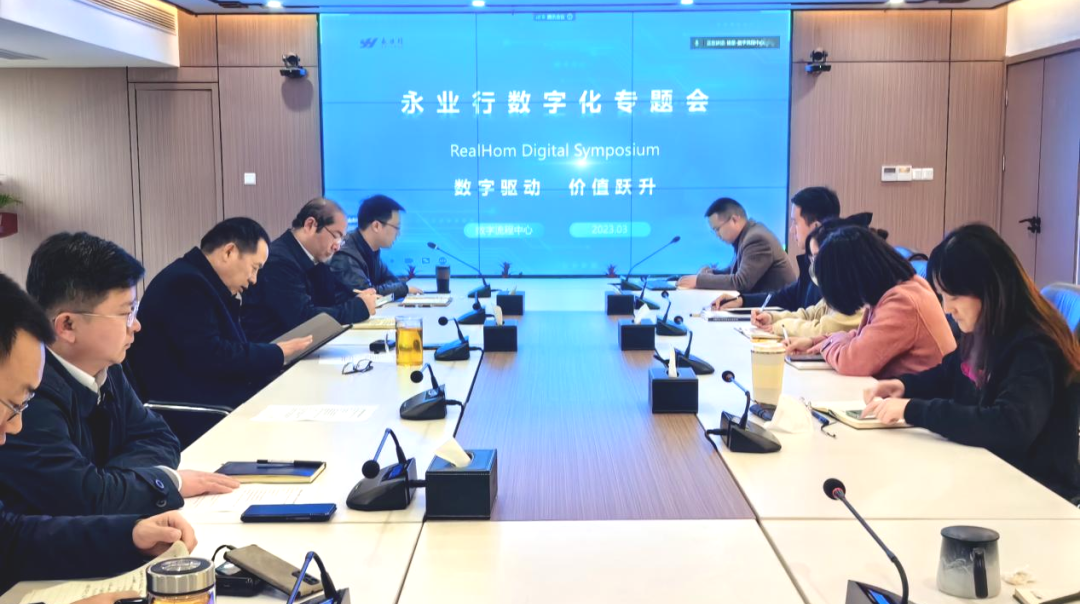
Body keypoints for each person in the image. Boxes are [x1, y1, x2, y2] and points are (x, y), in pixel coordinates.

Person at [0, 233, 238, 517]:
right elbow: (83, 500)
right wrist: (164, 481)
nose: (136, 325)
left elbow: (160, 437)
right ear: (67, 325)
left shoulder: (105, 365)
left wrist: (110, 482)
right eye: (126, 313)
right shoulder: (26, 391)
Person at [0, 271, 197, 594]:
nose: (17, 425)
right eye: (13, 405)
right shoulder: (47, 393)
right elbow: (81, 496)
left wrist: (131, 536)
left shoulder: (106, 367)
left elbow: (10, 539)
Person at [862, 224, 1080, 501]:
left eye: (953, 297)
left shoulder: (1035, 345)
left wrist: (913, 409)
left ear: (989, 289)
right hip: (988, 473)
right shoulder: (985, 326)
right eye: (942, 296)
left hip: (1035, 495)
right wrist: (903, 386)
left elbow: (1009, 426)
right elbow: (950, 375)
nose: (946, 308)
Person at [129, 218, 313, 409]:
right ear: (229, 252)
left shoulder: (201, 280)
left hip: (216, 397)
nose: (254, 279)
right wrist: (278, 352)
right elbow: (211, 356)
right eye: (254, 268)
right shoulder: (186, 284)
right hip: (200, 409)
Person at [784, 226, 956, 377]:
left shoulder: (902, 302)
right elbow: (864, 338)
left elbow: (853, 361)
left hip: (918, 398)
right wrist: (814, 342)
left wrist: (825, 346)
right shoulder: (895, 289)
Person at [242, 197, 378, 343]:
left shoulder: (315, 259)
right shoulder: (279, 261)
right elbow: (303, 320)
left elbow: (328, 305)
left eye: (341, 240)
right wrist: (358, 307)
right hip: (274, 351)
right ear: (310, 225)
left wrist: (358, 299)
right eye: (336, 236)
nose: (337, 246)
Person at [712, 187, 841, 311]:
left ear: (816, 227)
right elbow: (786, 296)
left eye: (795, 223)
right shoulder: (812, 263)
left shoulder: (835, 272)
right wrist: (742, 301)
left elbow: (817, 321)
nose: (791, 230)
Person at [749, 218, 864, 338]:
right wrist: (772, 317)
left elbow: (820, 330)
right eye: (812, 259)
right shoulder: (838, 292)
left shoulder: (858, 301)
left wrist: (780, 326)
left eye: (817, 257)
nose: (814, 265)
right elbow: (809, 315)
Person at [677, 197, 795, 293]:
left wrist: (699, 281)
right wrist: (711, 273)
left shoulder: (756, 239)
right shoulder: (746, 235)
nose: (716, 235)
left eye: (717, 229)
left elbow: (741, 282)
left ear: (734, 219)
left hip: (776, 310)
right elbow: (734, 271)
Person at [329, 194, 422, 300]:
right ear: (376, 226)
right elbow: (369, 294)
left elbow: (392, 281)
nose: (399, 233)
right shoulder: (345, 254)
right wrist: (405, 289)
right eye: (396, 227)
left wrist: (388, 288)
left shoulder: (372, 250)